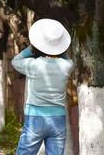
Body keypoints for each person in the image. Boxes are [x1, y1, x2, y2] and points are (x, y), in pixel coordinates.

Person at [12, 18, 74, 155]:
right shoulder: (67, 66)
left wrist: (32, 48)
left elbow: (15, 61)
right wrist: (58, 47)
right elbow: (65, 57)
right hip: (58, 119)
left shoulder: (33, 65)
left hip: (35, 117)